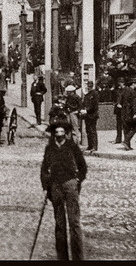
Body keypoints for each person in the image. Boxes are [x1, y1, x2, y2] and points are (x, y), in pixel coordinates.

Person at [40, 120, 88, 261]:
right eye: (57, 133)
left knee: (74, 223)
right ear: (54, 134)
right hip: (55, 187)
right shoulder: (50, 148)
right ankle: (62, 258)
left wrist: (78, 181)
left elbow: (83, 166)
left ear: (65, 133)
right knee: (59, 224)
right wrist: (45, 186)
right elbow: (44, 169)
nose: (60, 135)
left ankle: (78, 258)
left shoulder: (72, 146)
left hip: (70, 185)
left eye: (62, 132)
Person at [81, 82, 99, 152]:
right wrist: (82, 109)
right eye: (88, 86)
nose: (89, 87)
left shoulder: (95, 93)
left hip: (93, 115)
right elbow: (84, 103)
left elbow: (94, 106)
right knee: (88, 130)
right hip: (87, 115)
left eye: (90, 86)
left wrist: (87, 110)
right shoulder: (87, 94)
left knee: (92, 130)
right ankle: (90, 145)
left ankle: (94, 146)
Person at [112, 77, 126, 144]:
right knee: (118, 125)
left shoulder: (126, 90)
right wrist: (115, 103)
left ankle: (126, 140)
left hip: (124, 109)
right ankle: (118, 139)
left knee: (125, 125)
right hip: (118, 109)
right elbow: (116, 98)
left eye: (120, 82)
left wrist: (122, 105)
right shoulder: (117, 90)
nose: (119, 84)